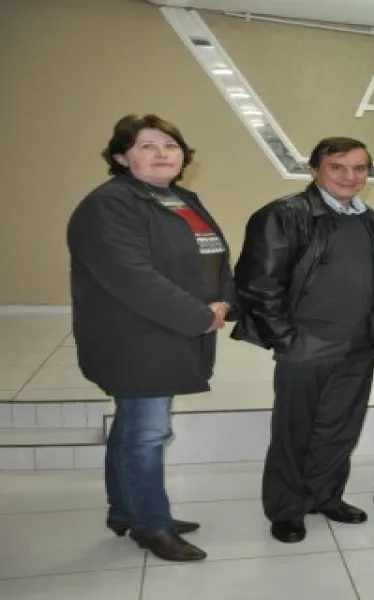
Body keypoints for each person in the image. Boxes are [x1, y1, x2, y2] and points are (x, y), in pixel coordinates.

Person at [68, 114, 235, 562]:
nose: (162, 153)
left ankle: (127, 510)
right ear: (122, 158)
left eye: (170, 145)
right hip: (135, 337)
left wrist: (224, 300)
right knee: (148, 432)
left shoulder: (180, 198)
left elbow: (215, 257)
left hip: (172, 329)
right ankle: (151, 525)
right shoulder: (109, 205)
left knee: (134, 427)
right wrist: (199, 316)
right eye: (147, 146)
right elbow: (133, 276)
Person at [232, 137, 374, 544]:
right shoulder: (285, 214)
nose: (350, 176)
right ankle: (286, 510)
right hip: (306, 345)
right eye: (338, 167)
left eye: (359, 168)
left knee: (339, 429)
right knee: (294, 433)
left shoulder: (366, 216)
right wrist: (286, 340)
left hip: (357, 345)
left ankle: (325, 496)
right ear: (315, 169)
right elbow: (258, 283)